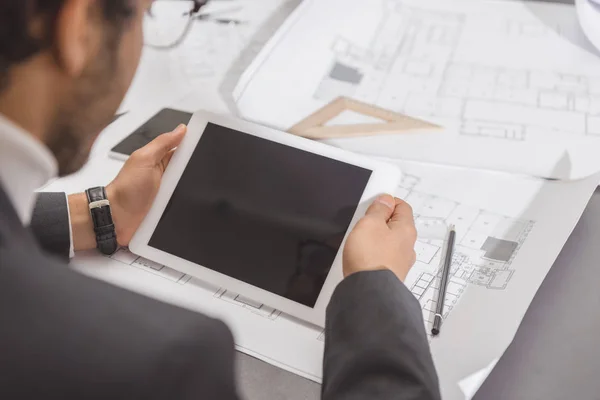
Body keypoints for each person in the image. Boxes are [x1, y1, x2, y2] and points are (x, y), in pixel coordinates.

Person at [0, 0, 441, 399]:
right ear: (77, 26)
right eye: (145, 14)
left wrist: (97, 214)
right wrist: (375, 288)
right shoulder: (160, 361)